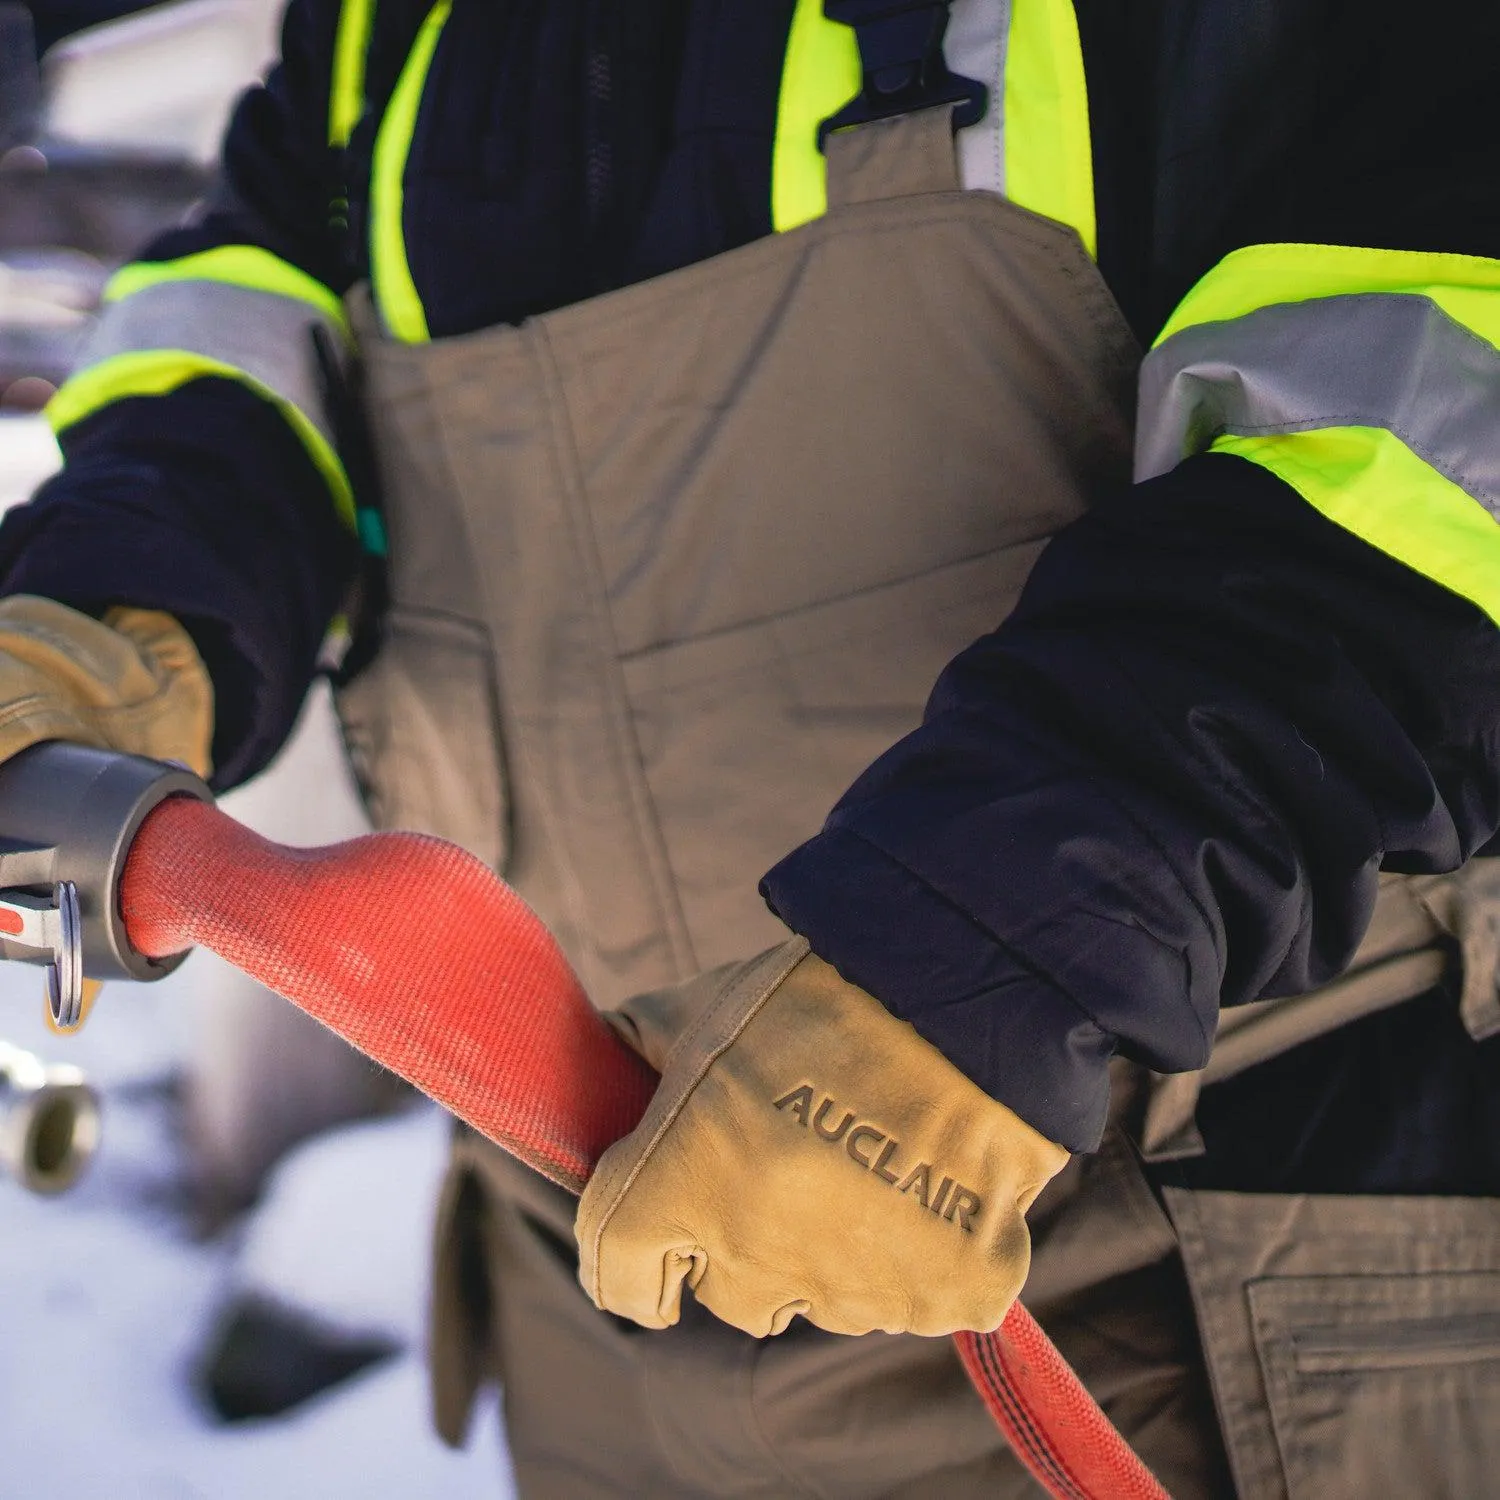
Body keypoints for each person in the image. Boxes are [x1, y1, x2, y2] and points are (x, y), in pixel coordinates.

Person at [1, 1, 1498, 1493]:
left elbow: (1441, 425)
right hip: (598, 1305)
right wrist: (122, 603)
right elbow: (258, 299)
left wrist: (1007, 938)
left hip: (1172, 1297)